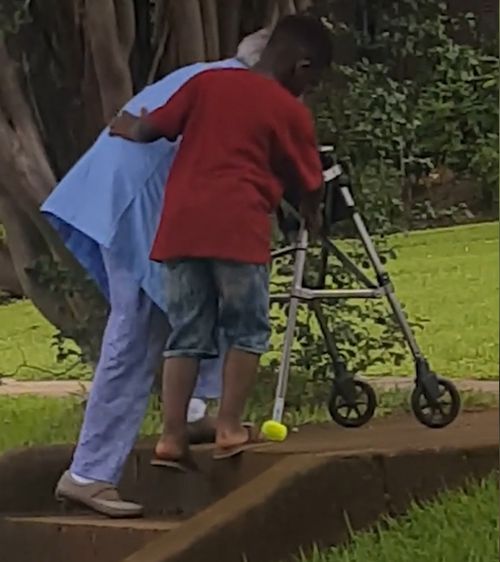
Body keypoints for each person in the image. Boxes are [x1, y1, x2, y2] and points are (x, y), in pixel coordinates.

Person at [45, 29, 271, 518]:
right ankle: (89, 473)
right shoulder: (237, 91)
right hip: (136, 201)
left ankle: (189, 413)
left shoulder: (214, 76)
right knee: (139, 327)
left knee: (185, 305)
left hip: (121, 192)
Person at [109, 15, 332, 468]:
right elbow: (308, 181)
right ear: (301, 68)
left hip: (181, 229)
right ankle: (229, 427)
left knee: (186, 332)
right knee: (246, 328)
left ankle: (171, 438)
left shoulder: (208, 83)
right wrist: (312, 216)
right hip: (237, 231)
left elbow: (153, 128)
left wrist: (128, 125)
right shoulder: (289, 110)